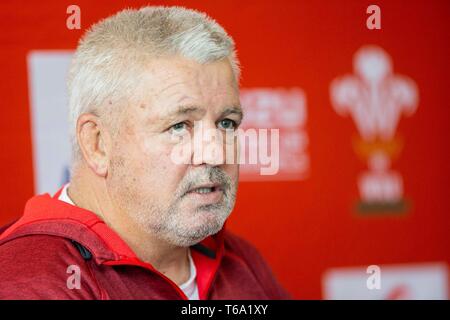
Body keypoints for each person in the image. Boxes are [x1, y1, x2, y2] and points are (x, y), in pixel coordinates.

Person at [0, 6, 290, 299]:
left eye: (226, 123)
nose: (214, 153)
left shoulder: (241, 261)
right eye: (179, 126)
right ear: (98, 144)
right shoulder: (30, 283)